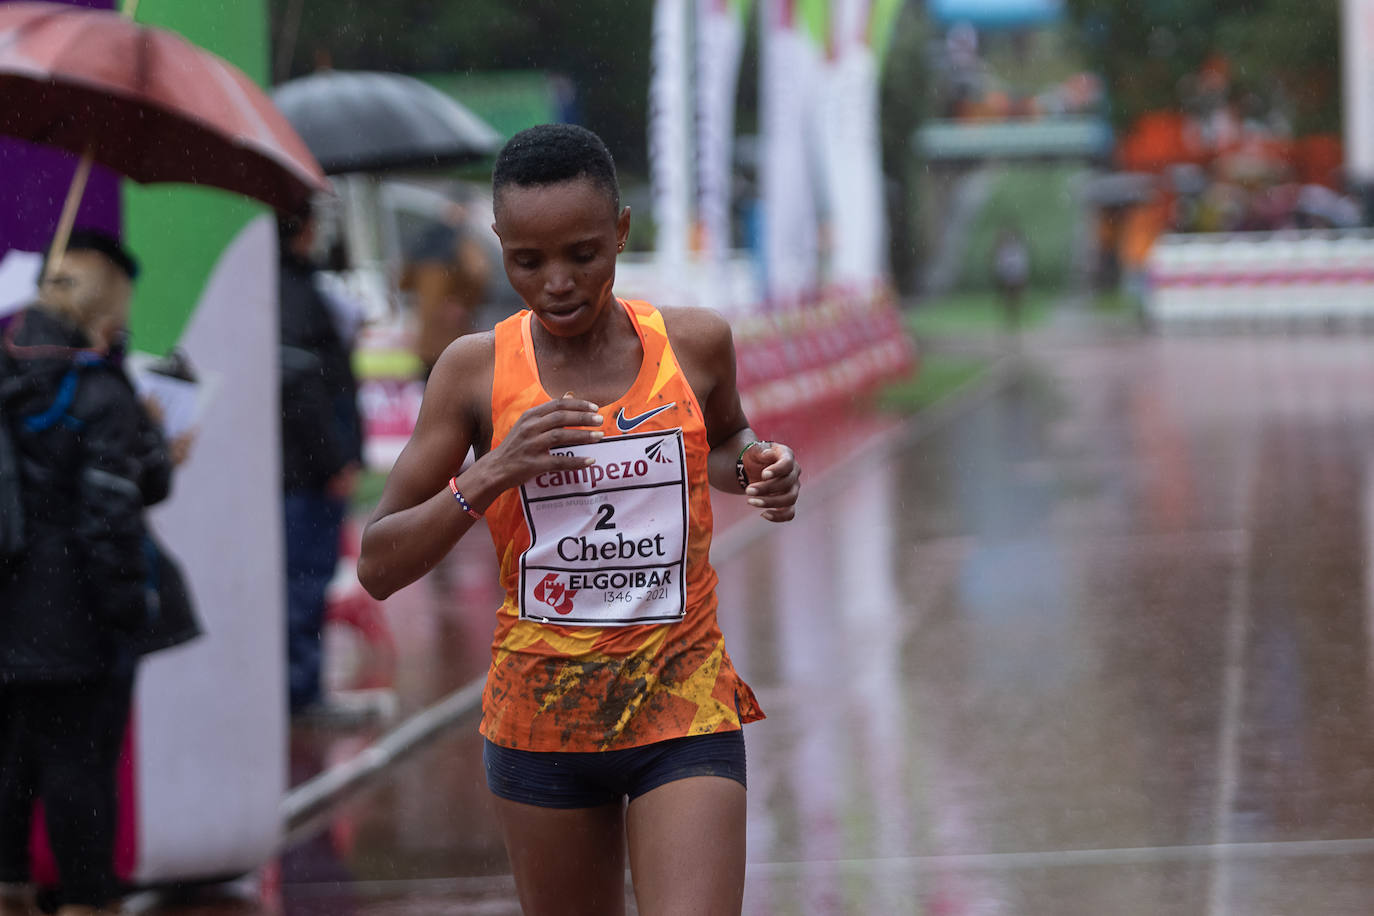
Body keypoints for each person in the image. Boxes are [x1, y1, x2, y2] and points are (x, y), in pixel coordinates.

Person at [358, 123, 801, 915]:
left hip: (683, 704)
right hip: (543, 726)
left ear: (623, 231)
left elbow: (723, 444)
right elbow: (379, 564)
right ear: (498, 245)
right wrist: (490, 473)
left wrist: (762, 465)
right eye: (527, 261)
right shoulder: (475, 370)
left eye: (583, 255)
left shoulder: (695, 346)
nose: (557, 282)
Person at [0, 230, 173, 916]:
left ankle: (9, 888)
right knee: (78, 764)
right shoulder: (99, 391)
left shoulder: (8, 366)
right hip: (70, 606)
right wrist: (131, 608)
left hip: (6, 596)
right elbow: (110, 520)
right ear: (108, 310)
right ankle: (88, 899)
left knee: (10, 759)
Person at [278, 205, 366, 721]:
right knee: (304, 578)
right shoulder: (292, 291)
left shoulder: (299, 287)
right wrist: (333, 458)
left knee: (304, 577)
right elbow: (302, 382)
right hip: (305, 470)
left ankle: (301, 689)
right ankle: (301, 693)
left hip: (302, 466)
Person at [398, 195, 491, 380]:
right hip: (454, 335)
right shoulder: (462, 243)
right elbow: (479, 273)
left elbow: (403, 281)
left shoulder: (422, 243)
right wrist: (463, 302)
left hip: (428, 339)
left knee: (432, 391)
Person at [992, 226, 1030, 333]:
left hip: (1014, 278)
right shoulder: (1007, 250)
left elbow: (1020, 266)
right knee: (1009, 301)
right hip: (1009, 278)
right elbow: (1001, 265)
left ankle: (1013, 321)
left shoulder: (1016, 250)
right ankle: (1010, 321)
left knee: (1014, 301)